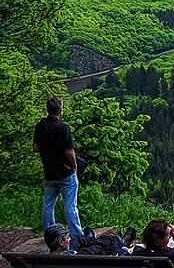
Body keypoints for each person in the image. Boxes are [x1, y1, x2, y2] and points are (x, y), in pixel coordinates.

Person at [33, 97, 83, 239]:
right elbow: (69, 151)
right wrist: (75, 167)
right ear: (60, 110)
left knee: (48, 206)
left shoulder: (40, 126)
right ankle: (77, 236)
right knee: (70, 207)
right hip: (66, 172)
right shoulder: (63, 127)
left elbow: (35, 147)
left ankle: (50, 236)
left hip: (49, 173)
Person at [44, 223, 135, 256]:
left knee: (76, 239)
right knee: (107, 240)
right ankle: (123, 243)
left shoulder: (40, 258)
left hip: (72, 252)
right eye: (67, 237)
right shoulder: (77, 260)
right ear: (61, 242)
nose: (69, 238)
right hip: (85, 255)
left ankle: (89, 239)